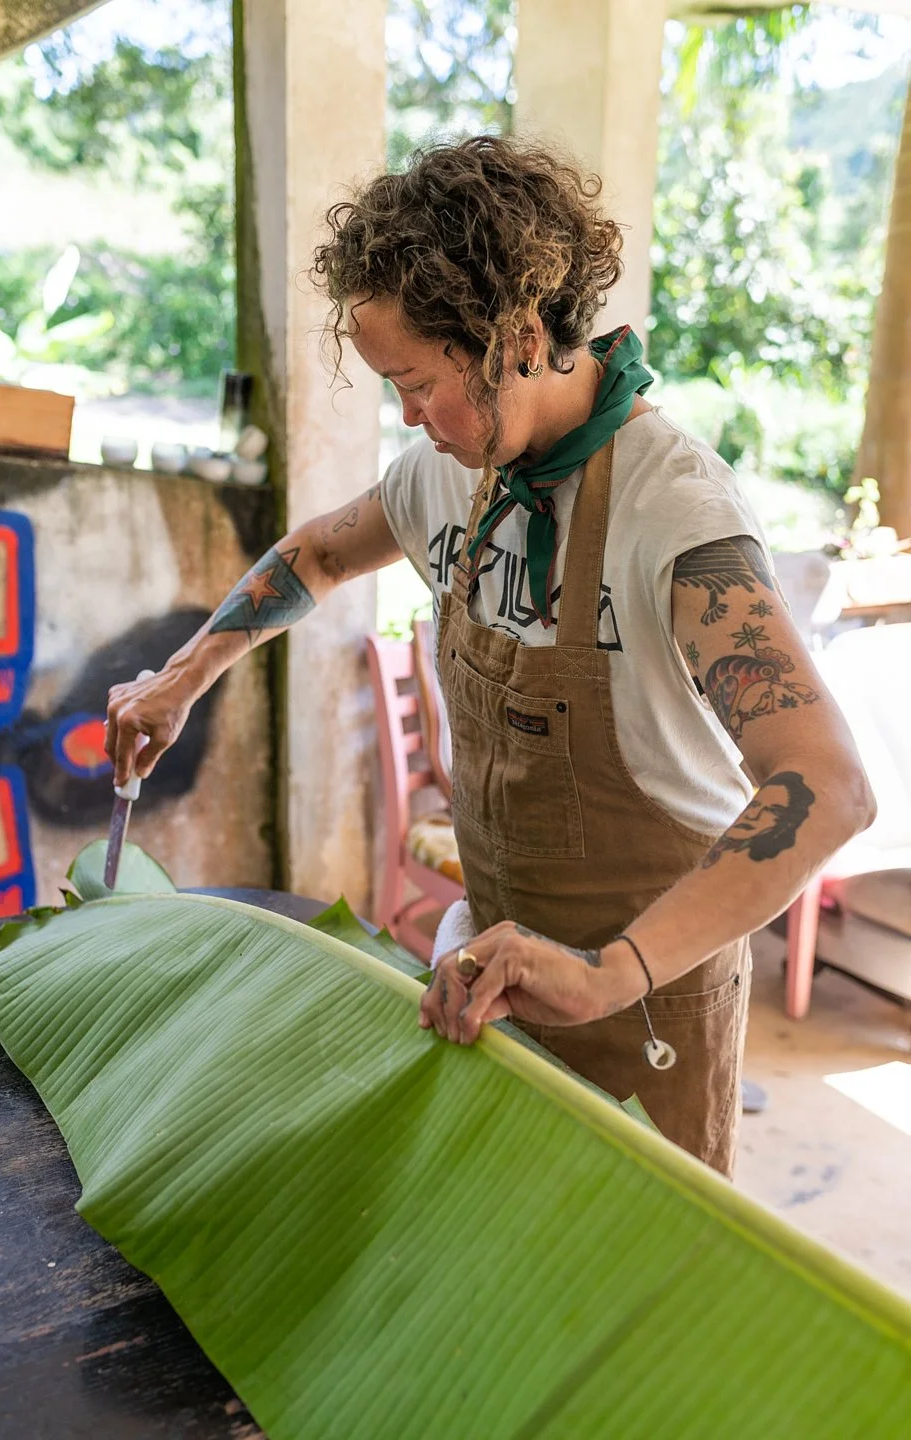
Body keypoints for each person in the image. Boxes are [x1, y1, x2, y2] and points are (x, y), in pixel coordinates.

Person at [104, 137, 874, 1177]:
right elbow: (320, 553)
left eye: (418, 385)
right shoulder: (448, 477)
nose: (411, 420)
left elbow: (826, 785)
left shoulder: (672, 510)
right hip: (487, 973)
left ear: (515, 337)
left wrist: (611, 971)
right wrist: (180, 679)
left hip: (642, 1002)